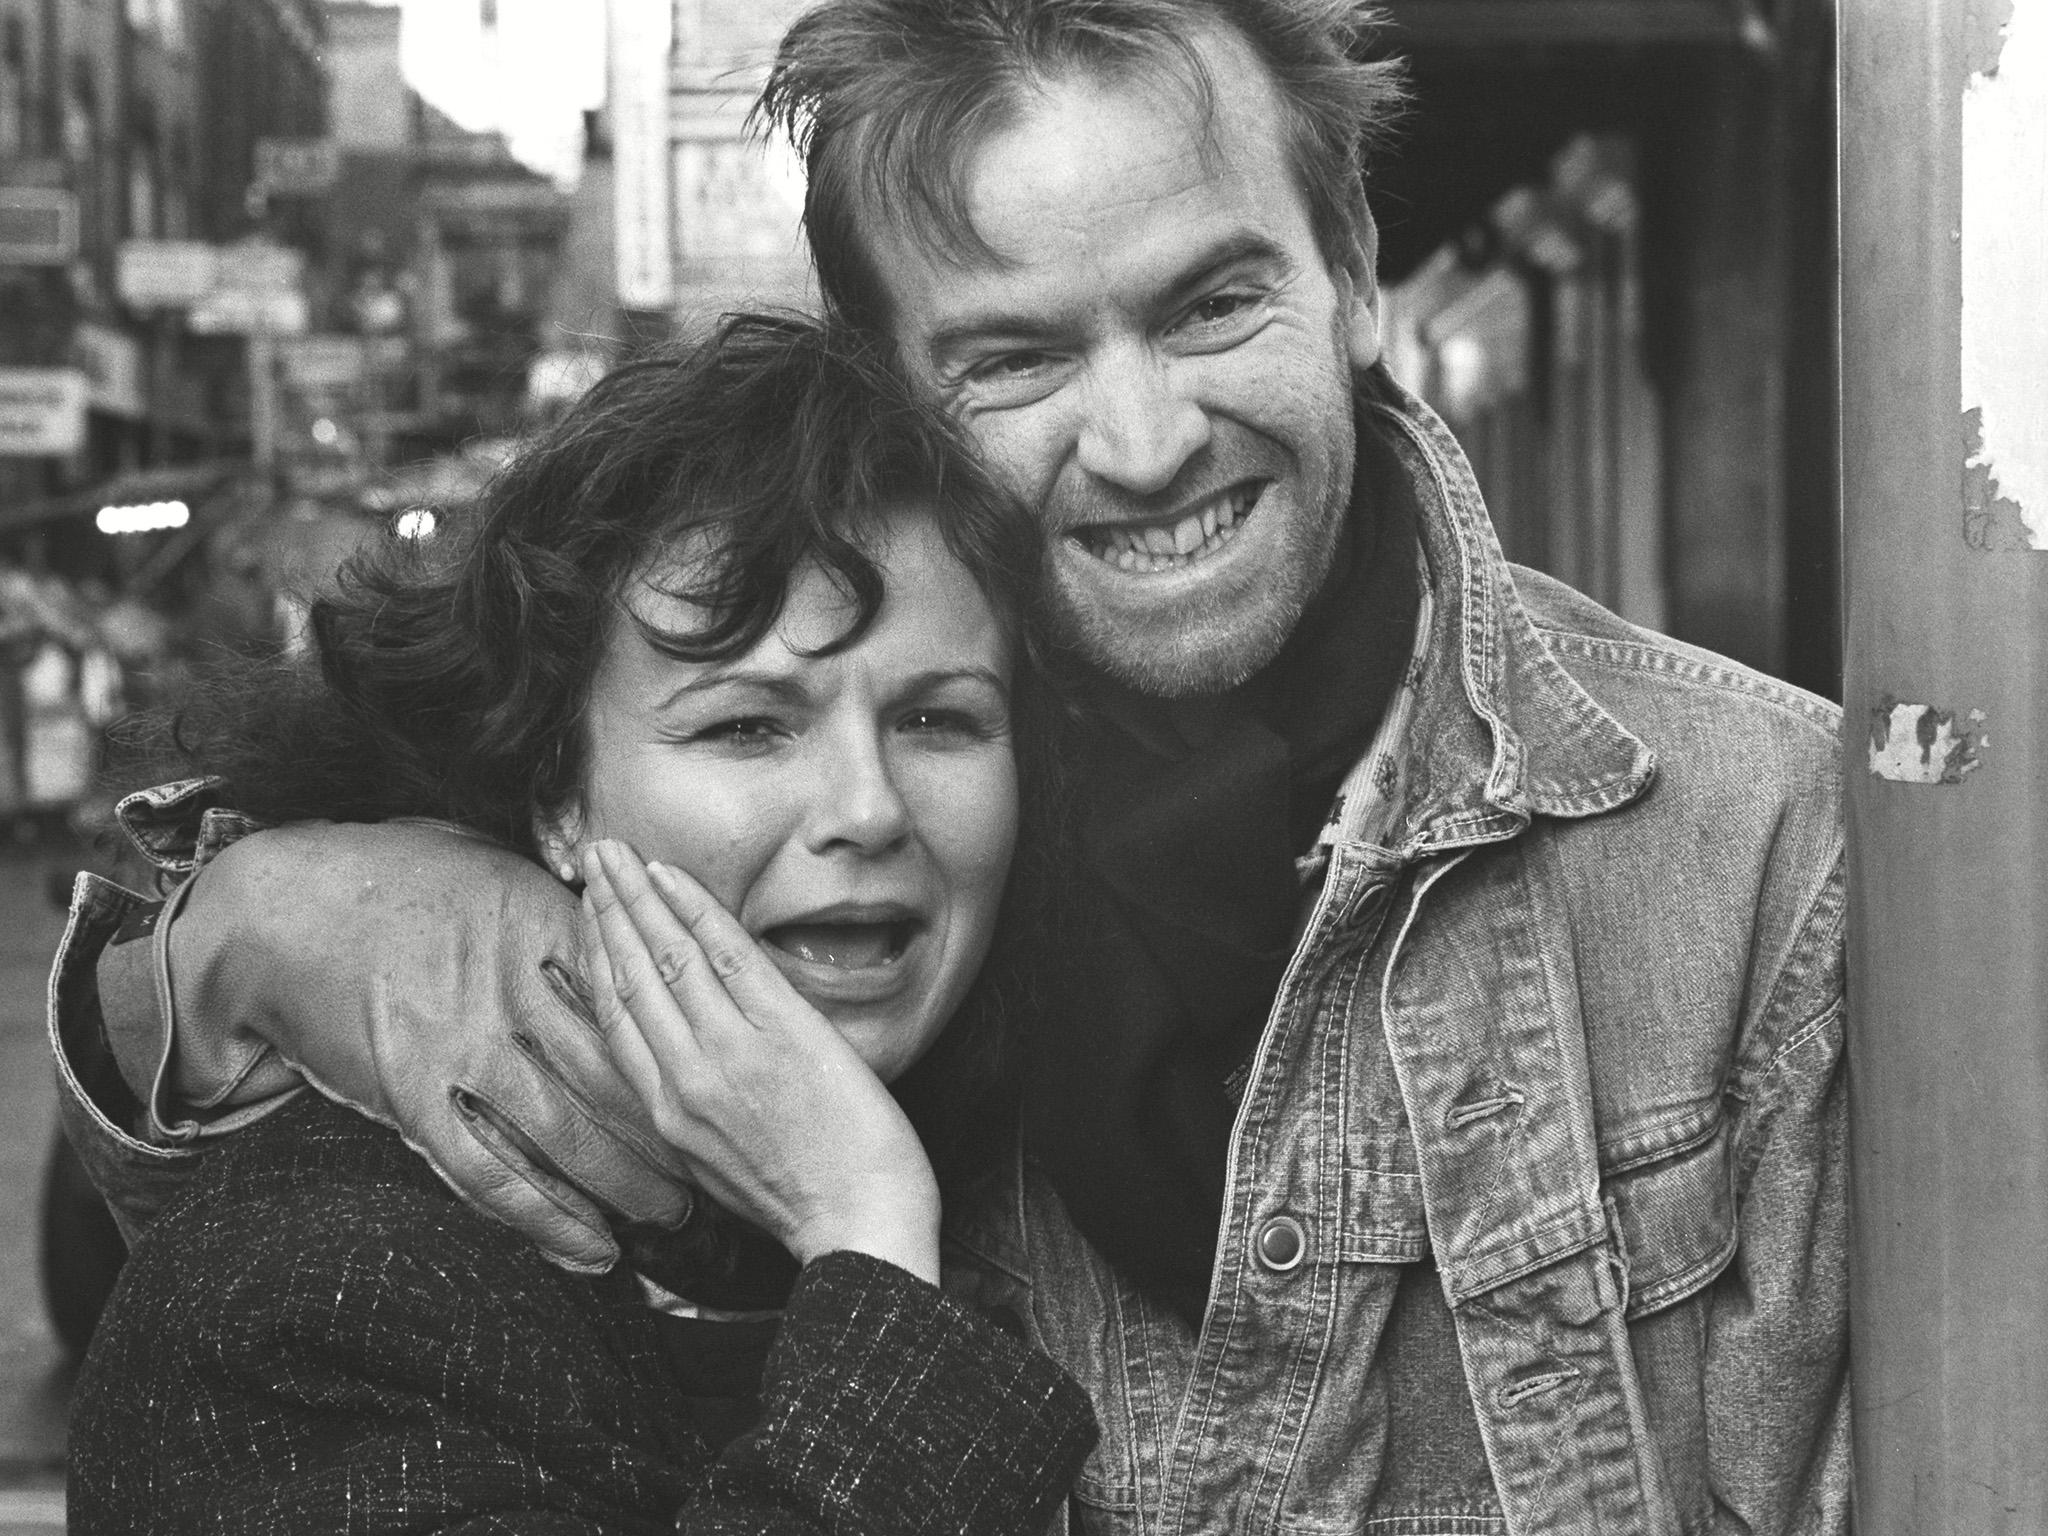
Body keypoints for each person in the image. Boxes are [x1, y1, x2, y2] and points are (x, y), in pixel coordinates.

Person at [52, 1, 1849, 1531]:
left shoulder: (1759, 843)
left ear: (1355, 272)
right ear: (891, 394)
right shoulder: (832, 949)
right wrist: (235, 931)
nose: (1144, 443)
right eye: (1015, 355)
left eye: (1212, 303)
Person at [62, 314, 1095, 1534]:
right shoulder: (309, 1296)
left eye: (939, 721)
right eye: (747, 726)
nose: (868, 810)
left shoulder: (1072, 1182)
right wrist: (868, 1246)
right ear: (557, 801)